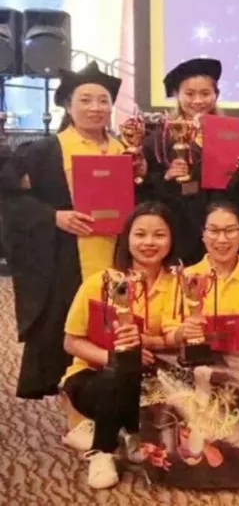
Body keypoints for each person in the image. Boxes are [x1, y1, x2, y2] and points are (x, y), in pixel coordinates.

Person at [0, 62, 148, 400]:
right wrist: (54, 217)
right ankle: (74, 401)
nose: (96, 108)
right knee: (70, 328)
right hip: (65, 257)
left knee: (121, 325)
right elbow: (10, 198)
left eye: (103, 100)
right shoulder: (43, 151)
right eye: (85, 100)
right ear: (68, 106)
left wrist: (142, 174)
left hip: (118, 253)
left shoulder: (124, 150)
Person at [59, 202, 180, 489]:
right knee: (122, 366)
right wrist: (113, 357)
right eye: (140, 234)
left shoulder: (180, 285)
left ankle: (132, 431)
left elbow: (173, 338)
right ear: (127, 239)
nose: (149, 243)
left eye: (159, 235)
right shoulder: (99, 282)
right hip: (93, 378)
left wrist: (146, 342)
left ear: (172, 239)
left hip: (152, 380)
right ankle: (103, 451)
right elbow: (71, 342)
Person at [143, 57, 239, 264]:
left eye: (205, 93)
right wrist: (166, 176)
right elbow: (145, 188)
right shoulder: (159, 139)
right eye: (189, 94)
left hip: (224, 230)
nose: (198, 100)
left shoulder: (233, 133)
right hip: (179, 228)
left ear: (216, 95)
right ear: (177, 95)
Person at [162, 201, 239, 353]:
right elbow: (168, 335)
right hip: (196, 363)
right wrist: (182, 333)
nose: (222, 239)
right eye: (214, 231)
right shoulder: (183, 278)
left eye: (230, 230)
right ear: (203, 235)